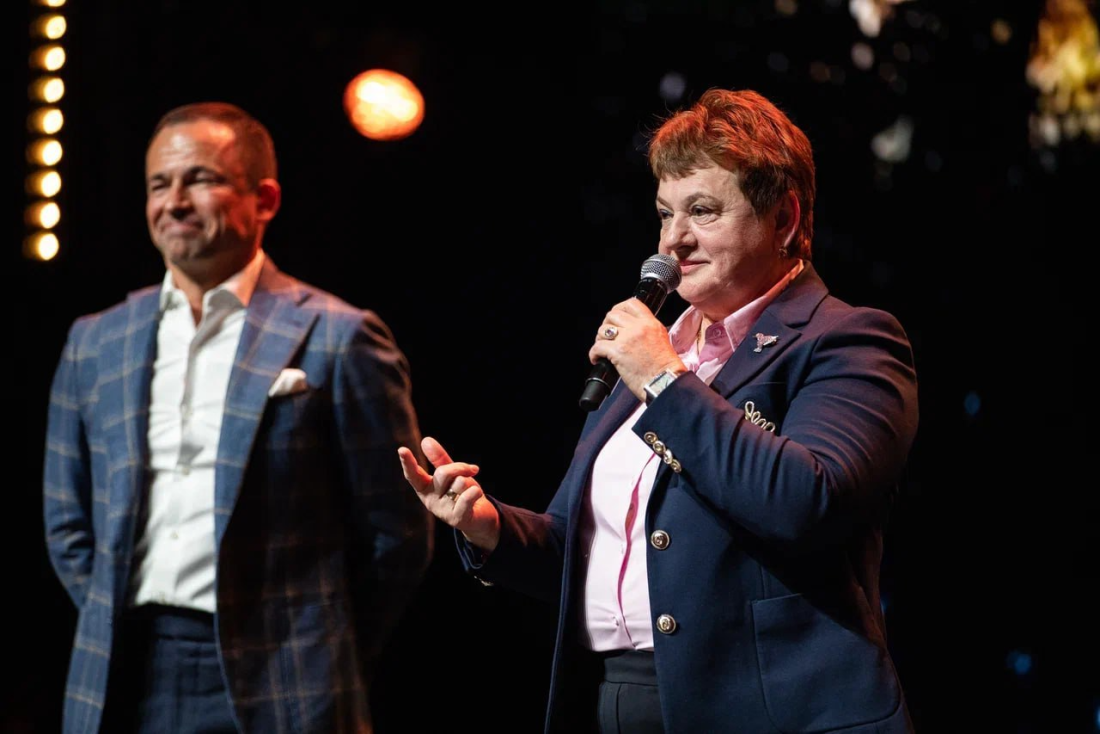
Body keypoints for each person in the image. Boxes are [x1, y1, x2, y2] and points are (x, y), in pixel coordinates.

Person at [399, 88, 918, 733]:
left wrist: (663, 380)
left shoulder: (845, 340)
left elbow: (807, 503)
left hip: (771, 711)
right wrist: (488, 527)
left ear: (783, 220)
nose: (673, 241)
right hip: (617, 698)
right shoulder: (660, 349)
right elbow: (583, 550)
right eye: (665, 214)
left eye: (702, 211)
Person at [43, 101, 432, 733]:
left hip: (287, 678)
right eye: (158, 184)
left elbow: (398, 534)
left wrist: (320, 648)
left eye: (199, 179)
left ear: (265, 199)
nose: (174, 202)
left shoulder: (340, 336)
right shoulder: (95, 341)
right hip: (121, 668)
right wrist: (106, 613)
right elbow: (66, 520)